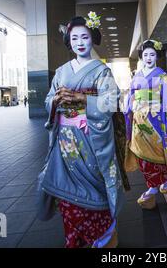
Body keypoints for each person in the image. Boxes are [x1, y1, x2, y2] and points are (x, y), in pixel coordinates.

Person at [36, 13, 125, 248]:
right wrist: (55, 99)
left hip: (90, 138)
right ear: (69, 41)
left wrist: (80, 99)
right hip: (65, 140)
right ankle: (74, 237)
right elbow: (47, 101)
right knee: (67, 197)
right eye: (74, 38)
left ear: (92, 38)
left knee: (95, 187)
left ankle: (104, 235)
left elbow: (112, 102)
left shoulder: (101, 71)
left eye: (84, 37)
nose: (80, 42)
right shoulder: (62, 71)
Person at [124, 40, 167, 210]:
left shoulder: (162, 75)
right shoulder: (137, 75)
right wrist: (129, 106)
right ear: (141, 57)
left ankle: (157, 185)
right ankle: (157, 183)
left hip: (156, 118)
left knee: (160, 152)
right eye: (145, 54)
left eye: (152, 54)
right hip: (139, 120)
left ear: (157, 56)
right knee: (142, 155)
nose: (148, 57)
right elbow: (131, 95)